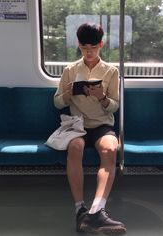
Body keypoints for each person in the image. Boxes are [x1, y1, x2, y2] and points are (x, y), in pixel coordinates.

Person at [54, 23, 126, 234]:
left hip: (102, 124)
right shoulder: (70, 70)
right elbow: (57, 102)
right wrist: (68, 95)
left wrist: (101, 97)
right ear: (79, 45)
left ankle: (96, 210)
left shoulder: (111, 71)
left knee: (111, 150)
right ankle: (80, 210)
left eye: (93, 47)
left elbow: (115, 105)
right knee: (75, 148)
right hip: (77, 124)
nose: (89, 51)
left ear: (101, 45)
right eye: (85, 47)